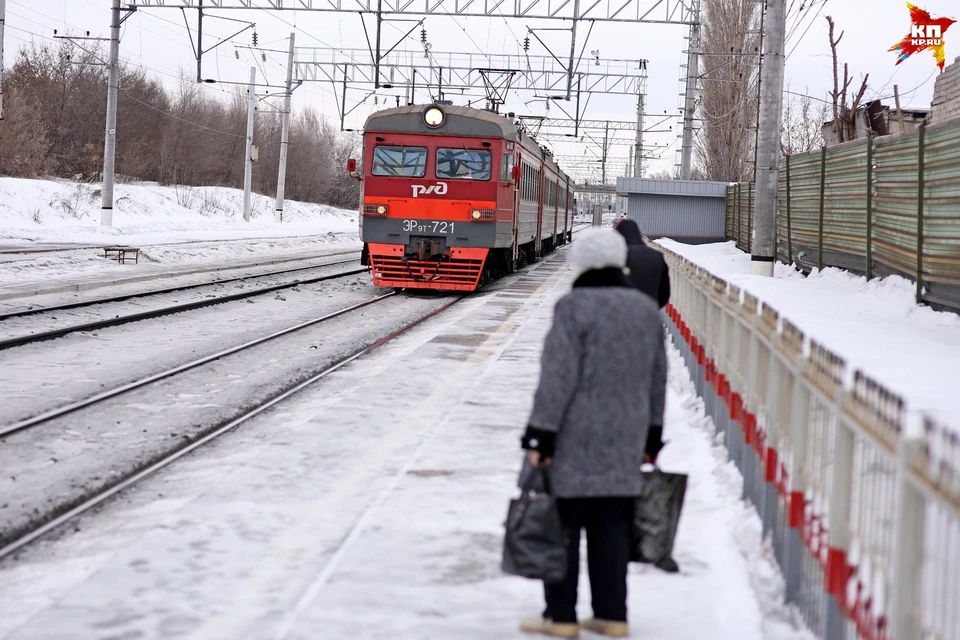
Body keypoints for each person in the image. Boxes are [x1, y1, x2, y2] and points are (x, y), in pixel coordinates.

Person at [518, 228, 667, 639]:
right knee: (612, 528)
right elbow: (658, 379)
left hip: (573, 437)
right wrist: (653, 436)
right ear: (621, 261)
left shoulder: (573, 307)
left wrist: (540, 435)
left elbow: (557, 378)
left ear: (580, 263)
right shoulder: (644, 309)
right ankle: (611, 615)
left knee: (562, 527)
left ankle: (561, 617)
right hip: (627, 436)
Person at [612, 218, 671, 309]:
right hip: (647, 310)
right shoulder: (656, 256)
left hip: (618, 309)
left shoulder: (614, 255)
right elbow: (664, 292)